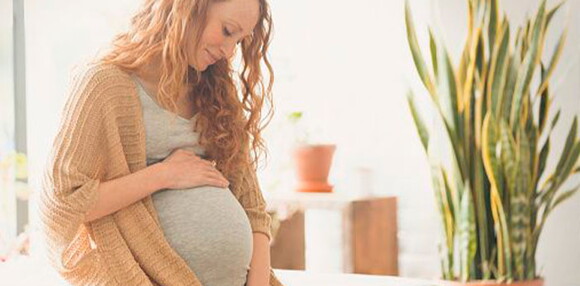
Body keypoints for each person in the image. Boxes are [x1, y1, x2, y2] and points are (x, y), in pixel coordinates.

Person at [37, 0, 283, 285]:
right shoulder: (102, 85)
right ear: (189, 8)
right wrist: (163, 175)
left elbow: (252, 207)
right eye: (227, 31)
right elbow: (63, 205)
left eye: (239, 41)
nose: (229, 52)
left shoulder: (217, 94)